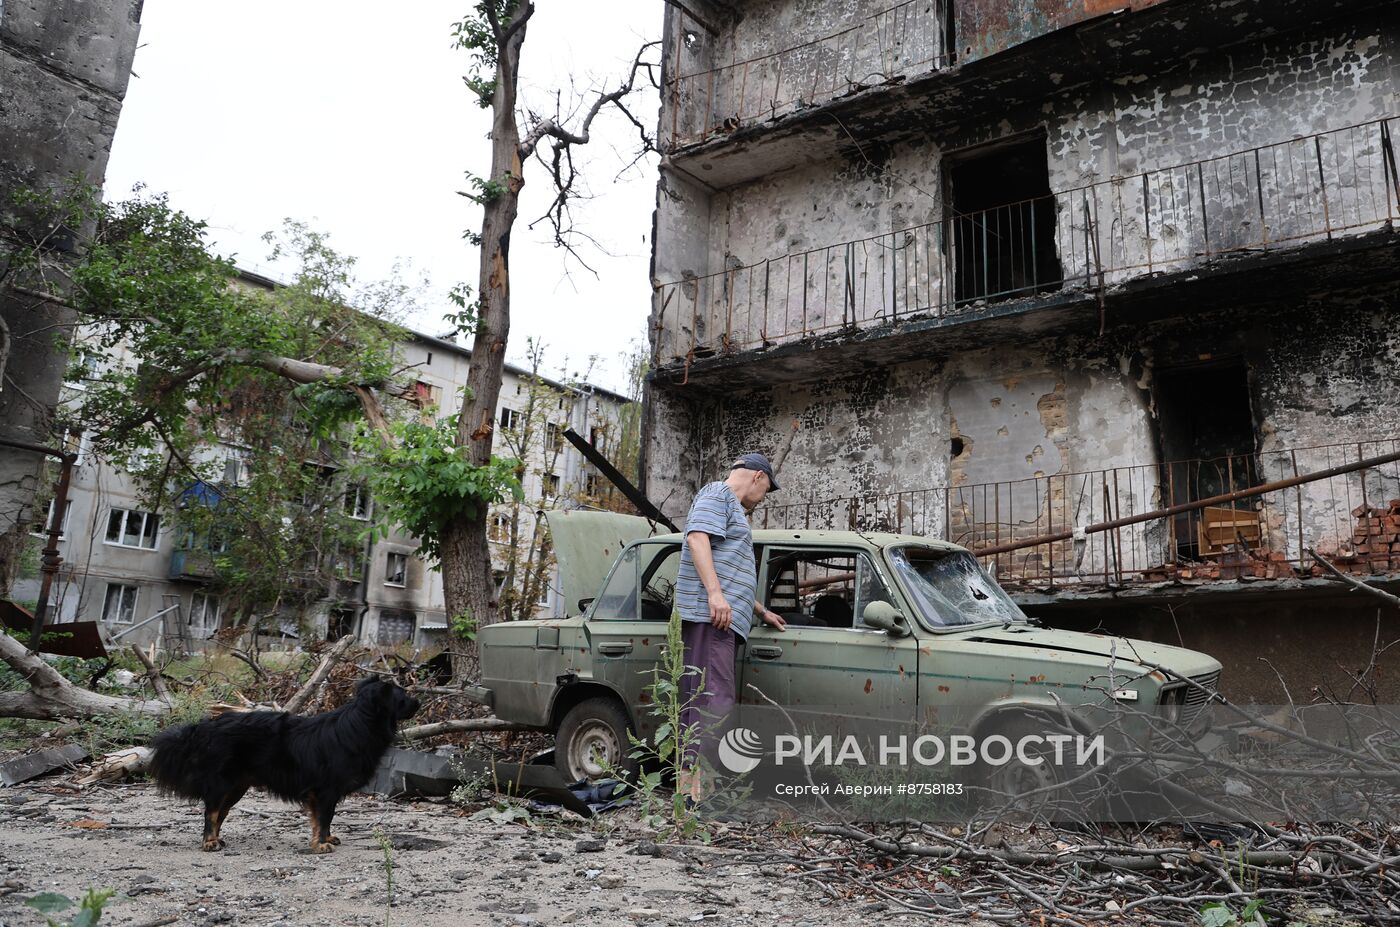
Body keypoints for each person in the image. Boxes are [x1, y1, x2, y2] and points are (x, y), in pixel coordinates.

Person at [675, 452, 787, 798]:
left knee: (712, 697)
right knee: (710, 698)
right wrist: (715, 595)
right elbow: (697, 539)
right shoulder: (716, 494)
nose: (764, 497)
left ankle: (697, 787)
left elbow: (726, 568)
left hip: (723, 620)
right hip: (711, 619)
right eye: (767, 489)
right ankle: (693, 789)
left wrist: (758, 610)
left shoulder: (734, 510)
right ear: (757, 477)